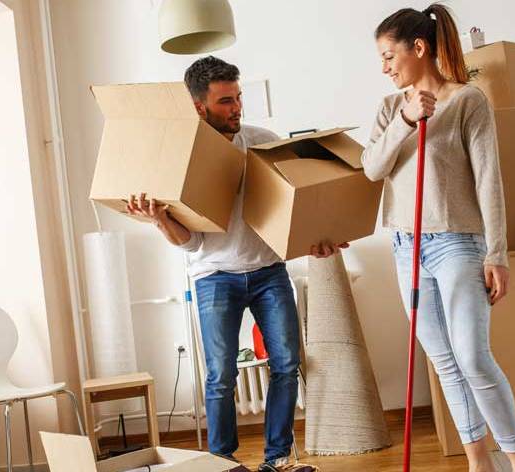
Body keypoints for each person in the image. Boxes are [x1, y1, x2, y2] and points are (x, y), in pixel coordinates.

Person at [127, 56, 340, 472]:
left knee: (286, 364)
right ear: (199, 106)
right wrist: (160, 219)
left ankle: (277, 460)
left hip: (269, 271)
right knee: (221, 375)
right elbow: (191, 243)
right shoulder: (183, 157)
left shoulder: (263, 144)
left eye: (239, 97)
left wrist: (316, 237)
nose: (237, 107)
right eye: (226, 101)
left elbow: (292, 209)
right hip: (214, 275)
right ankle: (222, 463)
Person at [362, 5, 515, 472]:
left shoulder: (467, 101)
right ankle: (480, 463)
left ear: (418, 48)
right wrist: (406, 119)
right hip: (405, 247)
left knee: (473, 359)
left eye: (389, 56)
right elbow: (372, 168)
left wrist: (497, 254)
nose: (384, 67)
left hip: (457, 244)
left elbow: (489, 181)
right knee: (444, 362)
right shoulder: (388, 109)